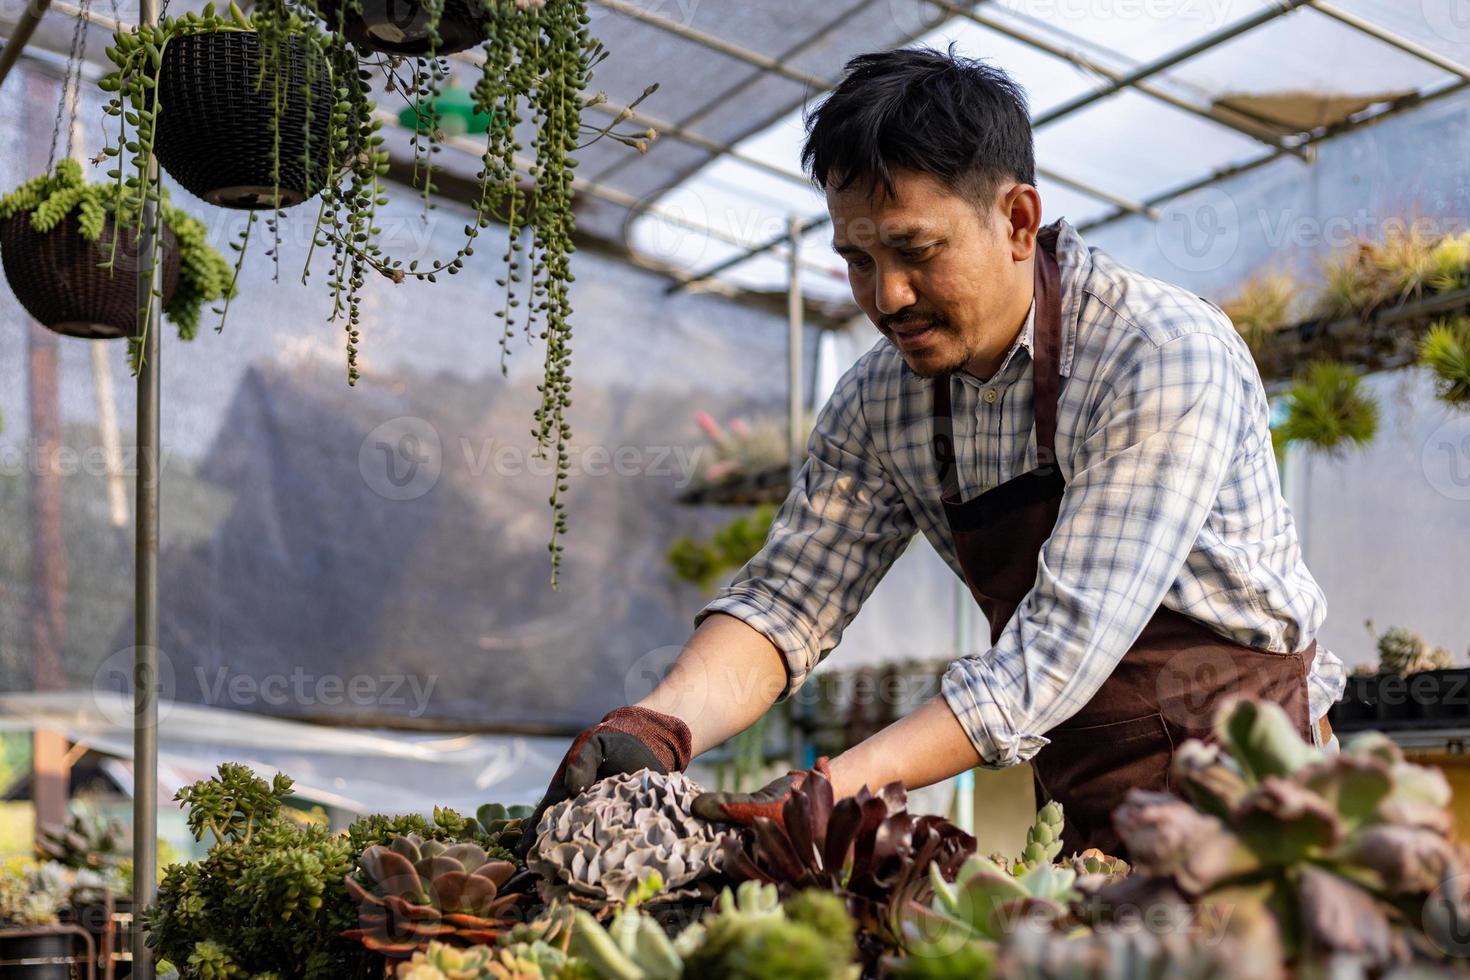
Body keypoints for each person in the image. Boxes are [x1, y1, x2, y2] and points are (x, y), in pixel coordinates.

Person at [522, 46, 1345, 857]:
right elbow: (789, 602)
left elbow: (1057, 649)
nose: (887, 297)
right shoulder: (882, 399)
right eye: (857, 260)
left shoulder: (1158, 354)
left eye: (916, 253)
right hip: (1084, 805)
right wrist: (658, 725)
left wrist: (828, 789)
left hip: (1258, 791)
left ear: (1018, 221)